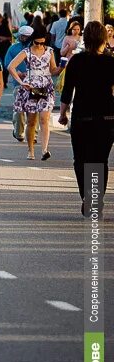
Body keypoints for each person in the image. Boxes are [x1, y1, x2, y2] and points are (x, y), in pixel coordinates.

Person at [59, 21, 114, 216]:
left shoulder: (76, 61)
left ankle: (87, 197)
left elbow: (68, 90)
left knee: (81, 160)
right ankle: (96, 198)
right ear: (103, 39)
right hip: (107, 118)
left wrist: (62, 113)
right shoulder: (110, 62)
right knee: (100, 161)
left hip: (83, 118)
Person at [8, 23, 60, 161]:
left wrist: (61, 68)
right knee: (31, 121)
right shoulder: (26, 52)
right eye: (37, 42)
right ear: (32, 40)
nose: (39, 45)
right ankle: (30, 150)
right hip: (31, 88)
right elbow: (10, 66)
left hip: (46, 88)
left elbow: (53, 70)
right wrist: (21, 82)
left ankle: (44, 150)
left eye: (42, 43)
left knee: (44, 119)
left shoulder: (50, 51)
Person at [3, 25, 33, 142]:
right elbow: (7, 64)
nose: (25, 38)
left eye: (27, 37)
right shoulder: (13, 48)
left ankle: (33, 135)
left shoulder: (36, 49)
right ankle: (19, 132)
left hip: (33, 83)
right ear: (19, 36)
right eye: (23, 36)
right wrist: (18, 73)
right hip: (18, 83)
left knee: (33, 109)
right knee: (19, 110)